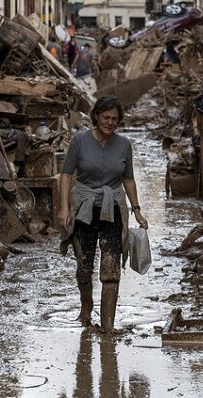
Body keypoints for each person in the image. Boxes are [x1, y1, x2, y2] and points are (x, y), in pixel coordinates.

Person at [58, 96, 148, 333]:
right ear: (96, 116)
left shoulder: (124, 144)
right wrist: (64, 207)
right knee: (84, 267)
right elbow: (66, 174)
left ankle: (108, 326)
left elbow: (128, 178)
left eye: (115, 119)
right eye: (106, 117)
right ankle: (86, 305)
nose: (110, 123)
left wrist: (137, 210)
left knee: (111, 269)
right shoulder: (79, 141)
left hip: (113, 209)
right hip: (83, 209)